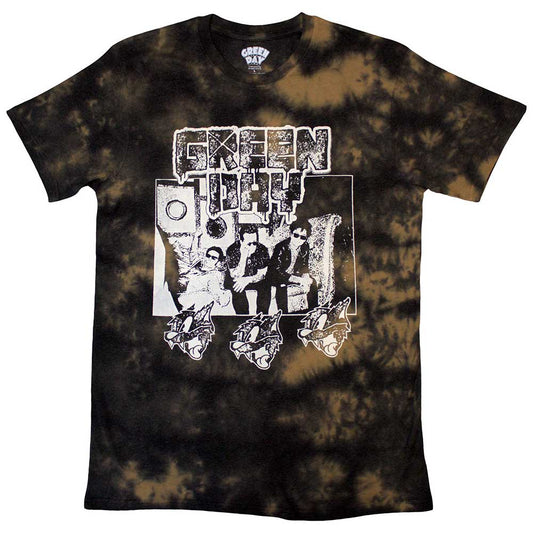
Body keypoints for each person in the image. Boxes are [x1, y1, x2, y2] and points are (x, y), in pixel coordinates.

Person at [267, 220, 318, 313]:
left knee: (312, 282)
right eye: (296, 235)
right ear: (291, 234)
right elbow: (277, 270)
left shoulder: (305, 246)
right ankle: (284, 316)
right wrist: (298, 280)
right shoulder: (281, 247)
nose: (298, 239)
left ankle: (313, 313)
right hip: (277, 276)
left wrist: (306, 280)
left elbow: (304, 266)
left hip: (294, 275)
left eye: (303, 237)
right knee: (282, 286)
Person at [225, 226, 271, 314]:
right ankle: (243, 317)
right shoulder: (232, 250)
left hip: (253, 279)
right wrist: (243, 256)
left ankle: (262, 317)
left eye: (255, 243)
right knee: (236, 286)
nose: (253, 247)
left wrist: (247, 280)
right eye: (249, 244)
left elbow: (262, 275)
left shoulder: (262, 250)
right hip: (237, 278)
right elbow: (234, 275)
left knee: (266, 285)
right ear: (241, 241)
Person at [178, 246, 231, 310]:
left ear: (218, 261)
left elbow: (218, 297)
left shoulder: (213, 276)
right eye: (208, 256)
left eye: (213, 258)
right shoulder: (197, 270)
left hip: (197, 306)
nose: (209, 259)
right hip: (186, 302)